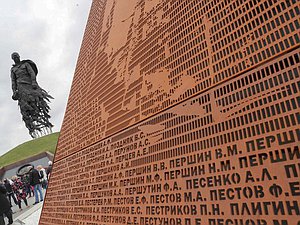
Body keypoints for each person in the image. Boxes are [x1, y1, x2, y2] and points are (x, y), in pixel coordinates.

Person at [10, 52, 53, 138]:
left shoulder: (26, 64)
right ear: (13, 59)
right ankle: (34, 131)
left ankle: (46, 124)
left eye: (16, 56)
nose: (15, 58)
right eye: (13, 57)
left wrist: (33, 82)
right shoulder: (13, 70)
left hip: (30, 84)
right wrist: (14, 91)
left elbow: (32, 73)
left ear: (19, 56)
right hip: (21, 87)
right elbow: (13, 81)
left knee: (38, 101)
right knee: (26, 107)